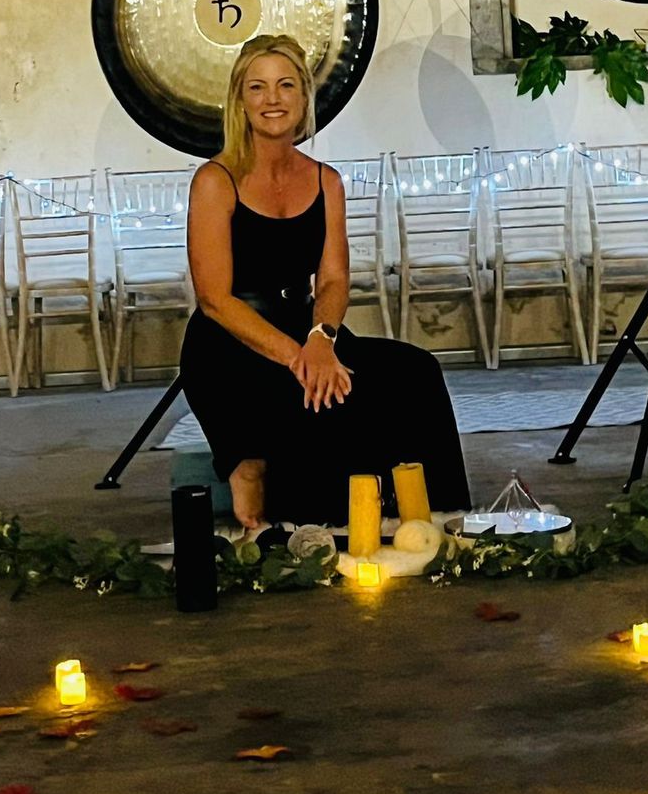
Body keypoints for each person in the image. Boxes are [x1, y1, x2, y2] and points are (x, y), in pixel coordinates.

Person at [179, 32, 471, 529]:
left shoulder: (325, 180)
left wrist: (320, 341)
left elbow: (334, 279)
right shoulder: (215, 180)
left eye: (286, 85)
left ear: (303, 98)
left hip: (308, 327)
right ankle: (305, 510)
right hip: (229, 342)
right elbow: (214, 300)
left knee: (414, 372)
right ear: (239, 100)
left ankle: (434, 519)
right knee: (320, 395)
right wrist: (299, 358)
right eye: (258, 87)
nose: (273, 99)